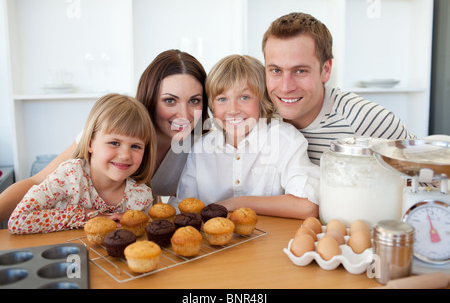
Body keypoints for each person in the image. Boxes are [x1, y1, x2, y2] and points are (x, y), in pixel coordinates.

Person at [0, 50, 209, 222]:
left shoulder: (203, 141)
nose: (184, 115)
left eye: (194, 101)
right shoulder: (117, 130)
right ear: (150, 98)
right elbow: (37, 181)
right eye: (170, 101)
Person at [174, 55, 320, 219]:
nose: (233, 109)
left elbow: (308, 206)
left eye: (244, 97)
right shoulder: (200, 149)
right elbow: (183, 208)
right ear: (212, 106)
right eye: (222, 99)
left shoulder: (284, 139)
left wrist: (236, 203)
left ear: (262, 100)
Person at [262, 12, 415, 165]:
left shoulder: (366, 120)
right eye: (276, 70)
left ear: (326, 70)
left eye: (300, 71)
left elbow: (428, 181)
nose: (285, 87)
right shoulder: (258, 115)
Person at [8, 94, 156, 234]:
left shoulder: (141, 196)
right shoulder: (69, 176)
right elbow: (18, 219)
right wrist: (85, 216)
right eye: (114, 143)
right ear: (90, 143)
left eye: (136, 146)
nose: (125, 155)